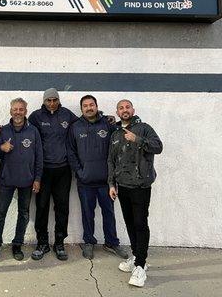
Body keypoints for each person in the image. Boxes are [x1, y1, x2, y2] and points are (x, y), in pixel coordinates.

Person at [108, 99, 163, 288]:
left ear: (133, 110)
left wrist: (137, 139)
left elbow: (158, 147)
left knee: (140, 223)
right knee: (130, 223)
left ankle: (141, 265)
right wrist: (111, 184)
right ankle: (136, 256)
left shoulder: (144, 128)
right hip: (123, 186)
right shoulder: (115, 133)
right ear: (117, 112)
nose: (125, 110)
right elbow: (111, 161)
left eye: (127, 107)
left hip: (141, 186)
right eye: (121, 108)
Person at [67, 95, 128, 260]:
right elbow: (71, 153)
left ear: (96, 106)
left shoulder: (108, 125)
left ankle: (112, 242)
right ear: (81, 109)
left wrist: (113, 177)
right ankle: (88, 242)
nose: (88, 108)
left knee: (109, 213)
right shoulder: (75, 127)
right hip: (85, 181)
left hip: (106, 182)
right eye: (85, 105)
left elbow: (117, 148)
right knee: (87, 214)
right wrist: (80, 172)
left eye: (91, 105)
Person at [0, 98, 43, 261]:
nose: (18, 112)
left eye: (21, 109)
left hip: (27, 181)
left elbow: (39, 157)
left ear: (26, 111)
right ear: (10, 111)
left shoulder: (33, 131)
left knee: (24, 214)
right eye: (15, 109)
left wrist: (37, 178)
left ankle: (17, 245)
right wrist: (1, 148)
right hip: (7, 180)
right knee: (0, 213)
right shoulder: (3, 131)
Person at [28, 88, 78, 261]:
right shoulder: (35, 116)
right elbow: (23, 130)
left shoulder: (67, 114)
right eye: (48, 100)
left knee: (62, 206)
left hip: (63, 170)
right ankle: (42, 243)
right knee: (41, 207)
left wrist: (105, 120)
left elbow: (83, 126)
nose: (51, 103)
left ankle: (59, 242)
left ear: (58, 100)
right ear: (44, 101)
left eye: (54, 100)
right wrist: (1, 129)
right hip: (43, 170)